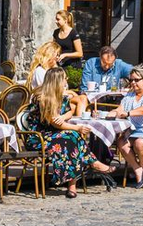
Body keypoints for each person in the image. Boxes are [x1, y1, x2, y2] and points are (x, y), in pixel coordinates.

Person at [23, 67, 115, 197]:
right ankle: (92, 165)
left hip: (54, 134)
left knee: (71, 138)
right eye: (65, 78)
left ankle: (73, 186)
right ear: (58, 80)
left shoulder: (61, 96)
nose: (67, 80)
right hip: (39, 137)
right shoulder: (42, 98)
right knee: (71, 136)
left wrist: (63, 116)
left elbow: (71, 111)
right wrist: (77, 127)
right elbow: (55, 123)